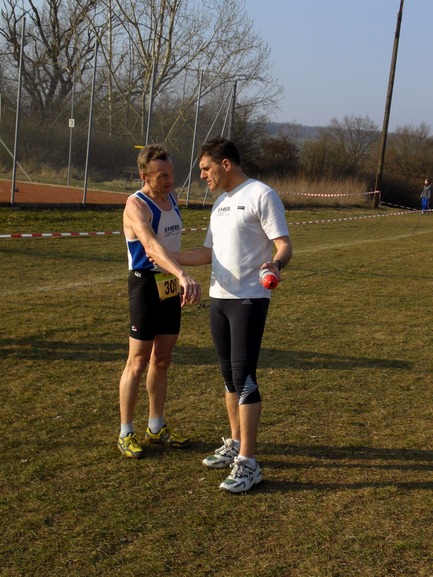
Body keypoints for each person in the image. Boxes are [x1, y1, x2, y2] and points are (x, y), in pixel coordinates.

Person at [169, 138, 293, 492]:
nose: (202, 175)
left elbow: (284, 244)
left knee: (244, 377)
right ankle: (236, 443)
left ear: (225, 164)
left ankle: (249, 463)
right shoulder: (220, 204)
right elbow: (208, 253)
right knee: (228, 377)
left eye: (205, 168)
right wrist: (165, 255)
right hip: (219, 299)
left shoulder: (261, 195)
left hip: (249, 299)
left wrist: (275, 263)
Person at [117, 144, 201, 459]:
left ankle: (156, 426)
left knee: (162, 359)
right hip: (145, 285)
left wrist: (177, 276)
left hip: (168, 284)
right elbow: (151, 247)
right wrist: (182, 274)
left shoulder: (171, 199)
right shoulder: (136, 205)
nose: (169, 180)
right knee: (137, 361)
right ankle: (126, 432)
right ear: (144, 176)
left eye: (171, 173)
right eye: (162, 175)